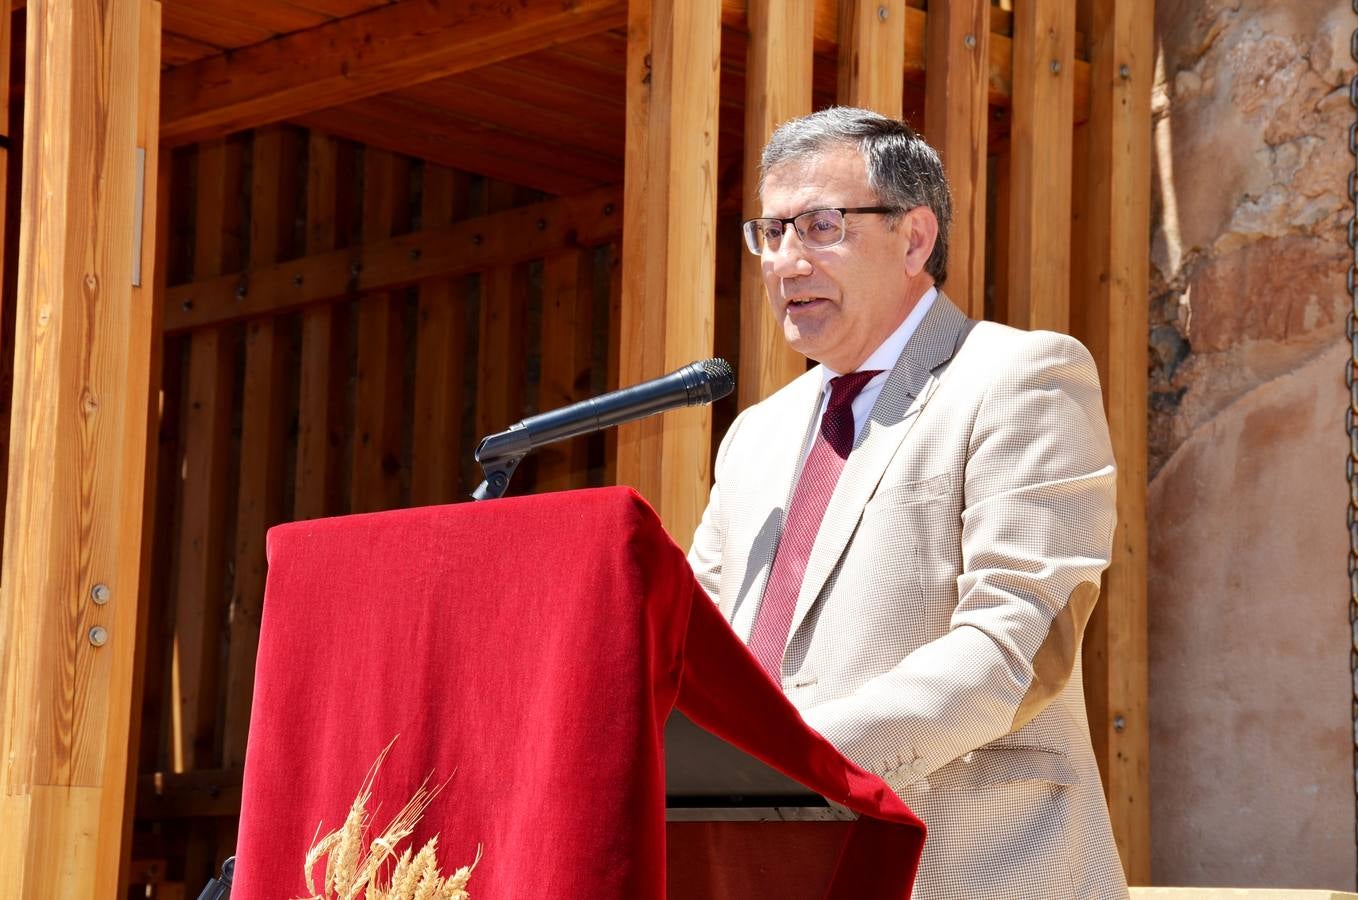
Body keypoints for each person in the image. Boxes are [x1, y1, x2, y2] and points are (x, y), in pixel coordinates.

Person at [688, 107, 1129, 900]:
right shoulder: (754, 435)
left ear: (915, 238)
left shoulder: (1020, 376)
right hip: (753, 865)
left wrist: (790, 762)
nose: (787, 262)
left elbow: (1014, 648)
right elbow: (699, 651)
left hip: (962, 866)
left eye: (821, 226)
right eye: (772, 231)